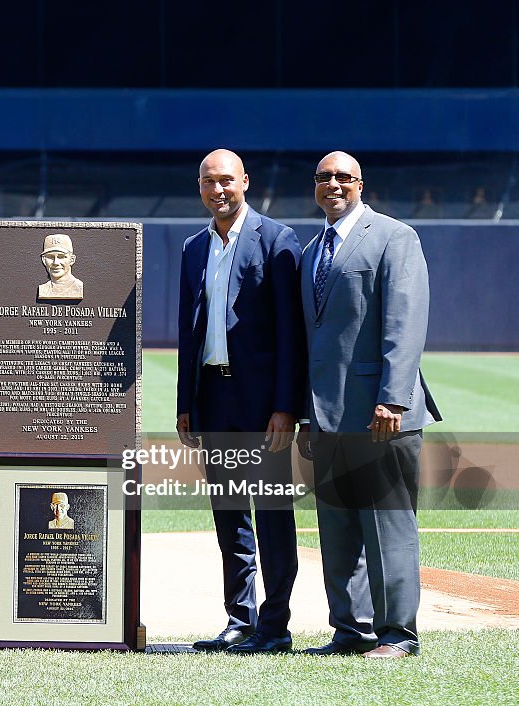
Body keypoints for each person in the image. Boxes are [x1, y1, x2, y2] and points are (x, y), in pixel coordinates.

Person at [298, 151, 441, 658]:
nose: (333, 185)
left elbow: (405, 323)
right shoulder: (314, 248)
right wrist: (304, 414)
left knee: (387, 526)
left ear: (361, 183)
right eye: (324, 178)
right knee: (337, 531)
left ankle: (397, 635)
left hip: (380, 414)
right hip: (327, 415)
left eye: (343, 177)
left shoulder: (394, 237)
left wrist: (392, 399)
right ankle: (350, 630)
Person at [176, 149, 305, 654]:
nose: (218, 190)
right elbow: (189, 333)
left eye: (226, 180)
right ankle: (238, 618)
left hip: (262, 404)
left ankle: (275, 624)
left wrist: (285, 406)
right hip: (213, 396)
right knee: (229, 513)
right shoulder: (193, 248)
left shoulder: (277, 240)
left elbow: (290, 333)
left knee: (272, 514)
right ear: (200, 188)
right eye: (209, 182)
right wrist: (186, 402)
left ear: (245, 182)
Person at [37, 233, 84, 299]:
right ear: (43, 260)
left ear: (72, 260)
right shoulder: (43, 289)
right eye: (50, 257)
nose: (55, 262)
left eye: (61, 257)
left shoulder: (78, 287)